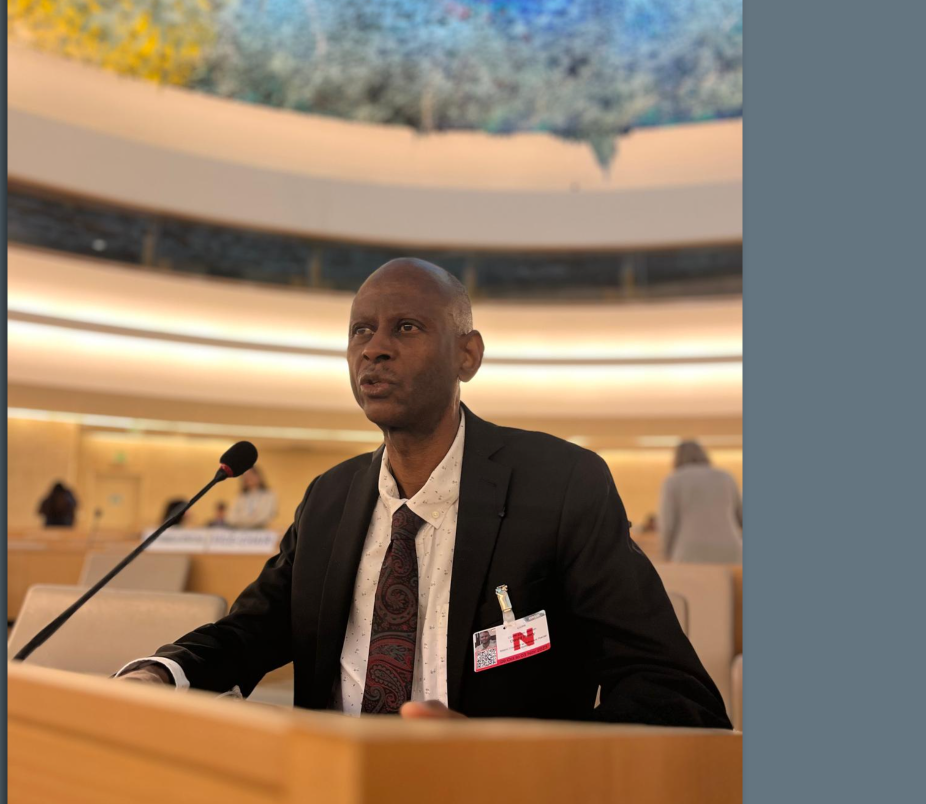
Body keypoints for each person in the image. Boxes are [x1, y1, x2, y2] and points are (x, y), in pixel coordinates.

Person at [115, 259, 729, 728]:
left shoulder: (561, 484)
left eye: (405, 327)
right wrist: (159, 673)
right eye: (361, 330)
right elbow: (250, 632)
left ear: (467, 355)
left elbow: (672, 690)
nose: (374, 347)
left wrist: (509, 759)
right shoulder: (328, 499)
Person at [658, 441, 742, 564]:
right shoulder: (726, 477)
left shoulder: (673, 480)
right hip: (730, 548)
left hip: (690, 549)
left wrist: (666, 552)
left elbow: (668, 523)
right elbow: (741, 517)